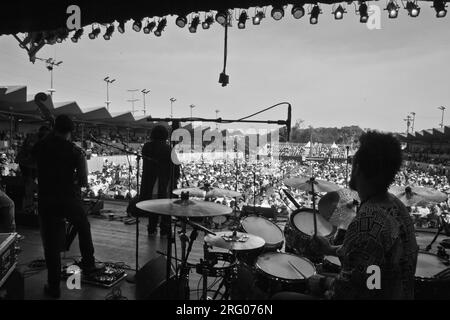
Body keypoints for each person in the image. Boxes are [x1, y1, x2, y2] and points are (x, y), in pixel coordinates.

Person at [311, 131, 418, 299]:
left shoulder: (368, 222)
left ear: (358, 167)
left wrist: (322, 283)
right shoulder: (396, 205)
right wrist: (329, 249)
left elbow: (356, 291)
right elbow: (372, 259)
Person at [32, 115, 103, 298]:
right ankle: (88, 263)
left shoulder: (41, 146)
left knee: (51, 244)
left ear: (54, 128)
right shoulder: (75, 151)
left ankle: (54, 286)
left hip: (47, 199)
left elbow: (24, 159)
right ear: (70, 132)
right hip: (68, 199)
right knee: (83, 225)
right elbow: (83, 181)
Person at [140, 125, 180, 236]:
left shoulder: (146, 147)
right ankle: (165, 230)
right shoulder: (168, 148)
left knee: (153, 207)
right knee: (166, 208)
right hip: (164, 183)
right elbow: (175, 169)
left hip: (150, 183)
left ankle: (151, 229)